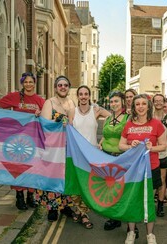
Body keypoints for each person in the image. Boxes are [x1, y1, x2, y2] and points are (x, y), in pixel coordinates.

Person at [0, 72, 45, 211]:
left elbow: (47, 118)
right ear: (22, 83)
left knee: (32, 168)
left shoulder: (40, 101)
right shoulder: (15, 97)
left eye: (30, 82)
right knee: (18, 169)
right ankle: (19, 197)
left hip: (33, 141)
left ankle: (30, 197)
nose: (28, 84)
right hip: (17, 141)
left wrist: (40, 114)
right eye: (25, 82)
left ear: (34, 83)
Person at [119, 94, 167, 244]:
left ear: (148, 106)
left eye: (143, 104)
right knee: (132, 200)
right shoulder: (129, 125)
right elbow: (120, 145)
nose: (140, 107)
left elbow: (164, 145)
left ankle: (150, 234)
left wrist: (152, 148)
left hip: (151, 168)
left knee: (148, 202)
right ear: (133, 107)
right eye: (137, 104)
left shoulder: (157, 124)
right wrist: (129, 146)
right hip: (132, 169)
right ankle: (131, 233)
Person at [69, 85, 110, 229]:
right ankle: (81, 212)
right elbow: (68, 131)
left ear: (89, 95)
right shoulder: (72, 111)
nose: (83, 96)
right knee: (77, 184)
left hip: (91, 154)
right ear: (78, 96)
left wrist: (103, 138)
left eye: (86, 94)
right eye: (81, 94)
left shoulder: (96, 110)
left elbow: (113, 118)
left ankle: (82, 213)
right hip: (77, 154)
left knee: (87, 184)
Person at [35, 75, 75, 222]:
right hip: (52, 147)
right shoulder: (49, 103)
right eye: (60, 85)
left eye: (65, 85)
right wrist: (58, 120)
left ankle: (65, 205)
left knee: (66, 175)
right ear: (56, 88)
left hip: (66, 146)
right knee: (53, 176)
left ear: (68, 87)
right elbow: (44, 124)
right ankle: (52, 208)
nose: (63, 87)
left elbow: (73, 123)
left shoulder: (71, 103)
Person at [98, 91, 129, 231]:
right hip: (106, 156)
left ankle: (126, 218)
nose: (114, 104)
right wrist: (100, 143)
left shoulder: (128, 118)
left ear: (122, 102)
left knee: (121, 189)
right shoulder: (107, 119)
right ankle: (114, 218)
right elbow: (105, 136)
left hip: (121, 158)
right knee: (110, 189)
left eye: (116, 101)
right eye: (111, 101)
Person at [152, 94, 167, 217]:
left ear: (164, 102)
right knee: (152, 180)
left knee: (162, 180)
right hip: (152, 153)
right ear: (153, 102)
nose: (158, 103)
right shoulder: (149, 117)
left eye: (161, 101)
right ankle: (148, 205)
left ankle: (160, 206)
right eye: (156, 101)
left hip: (163, 153)